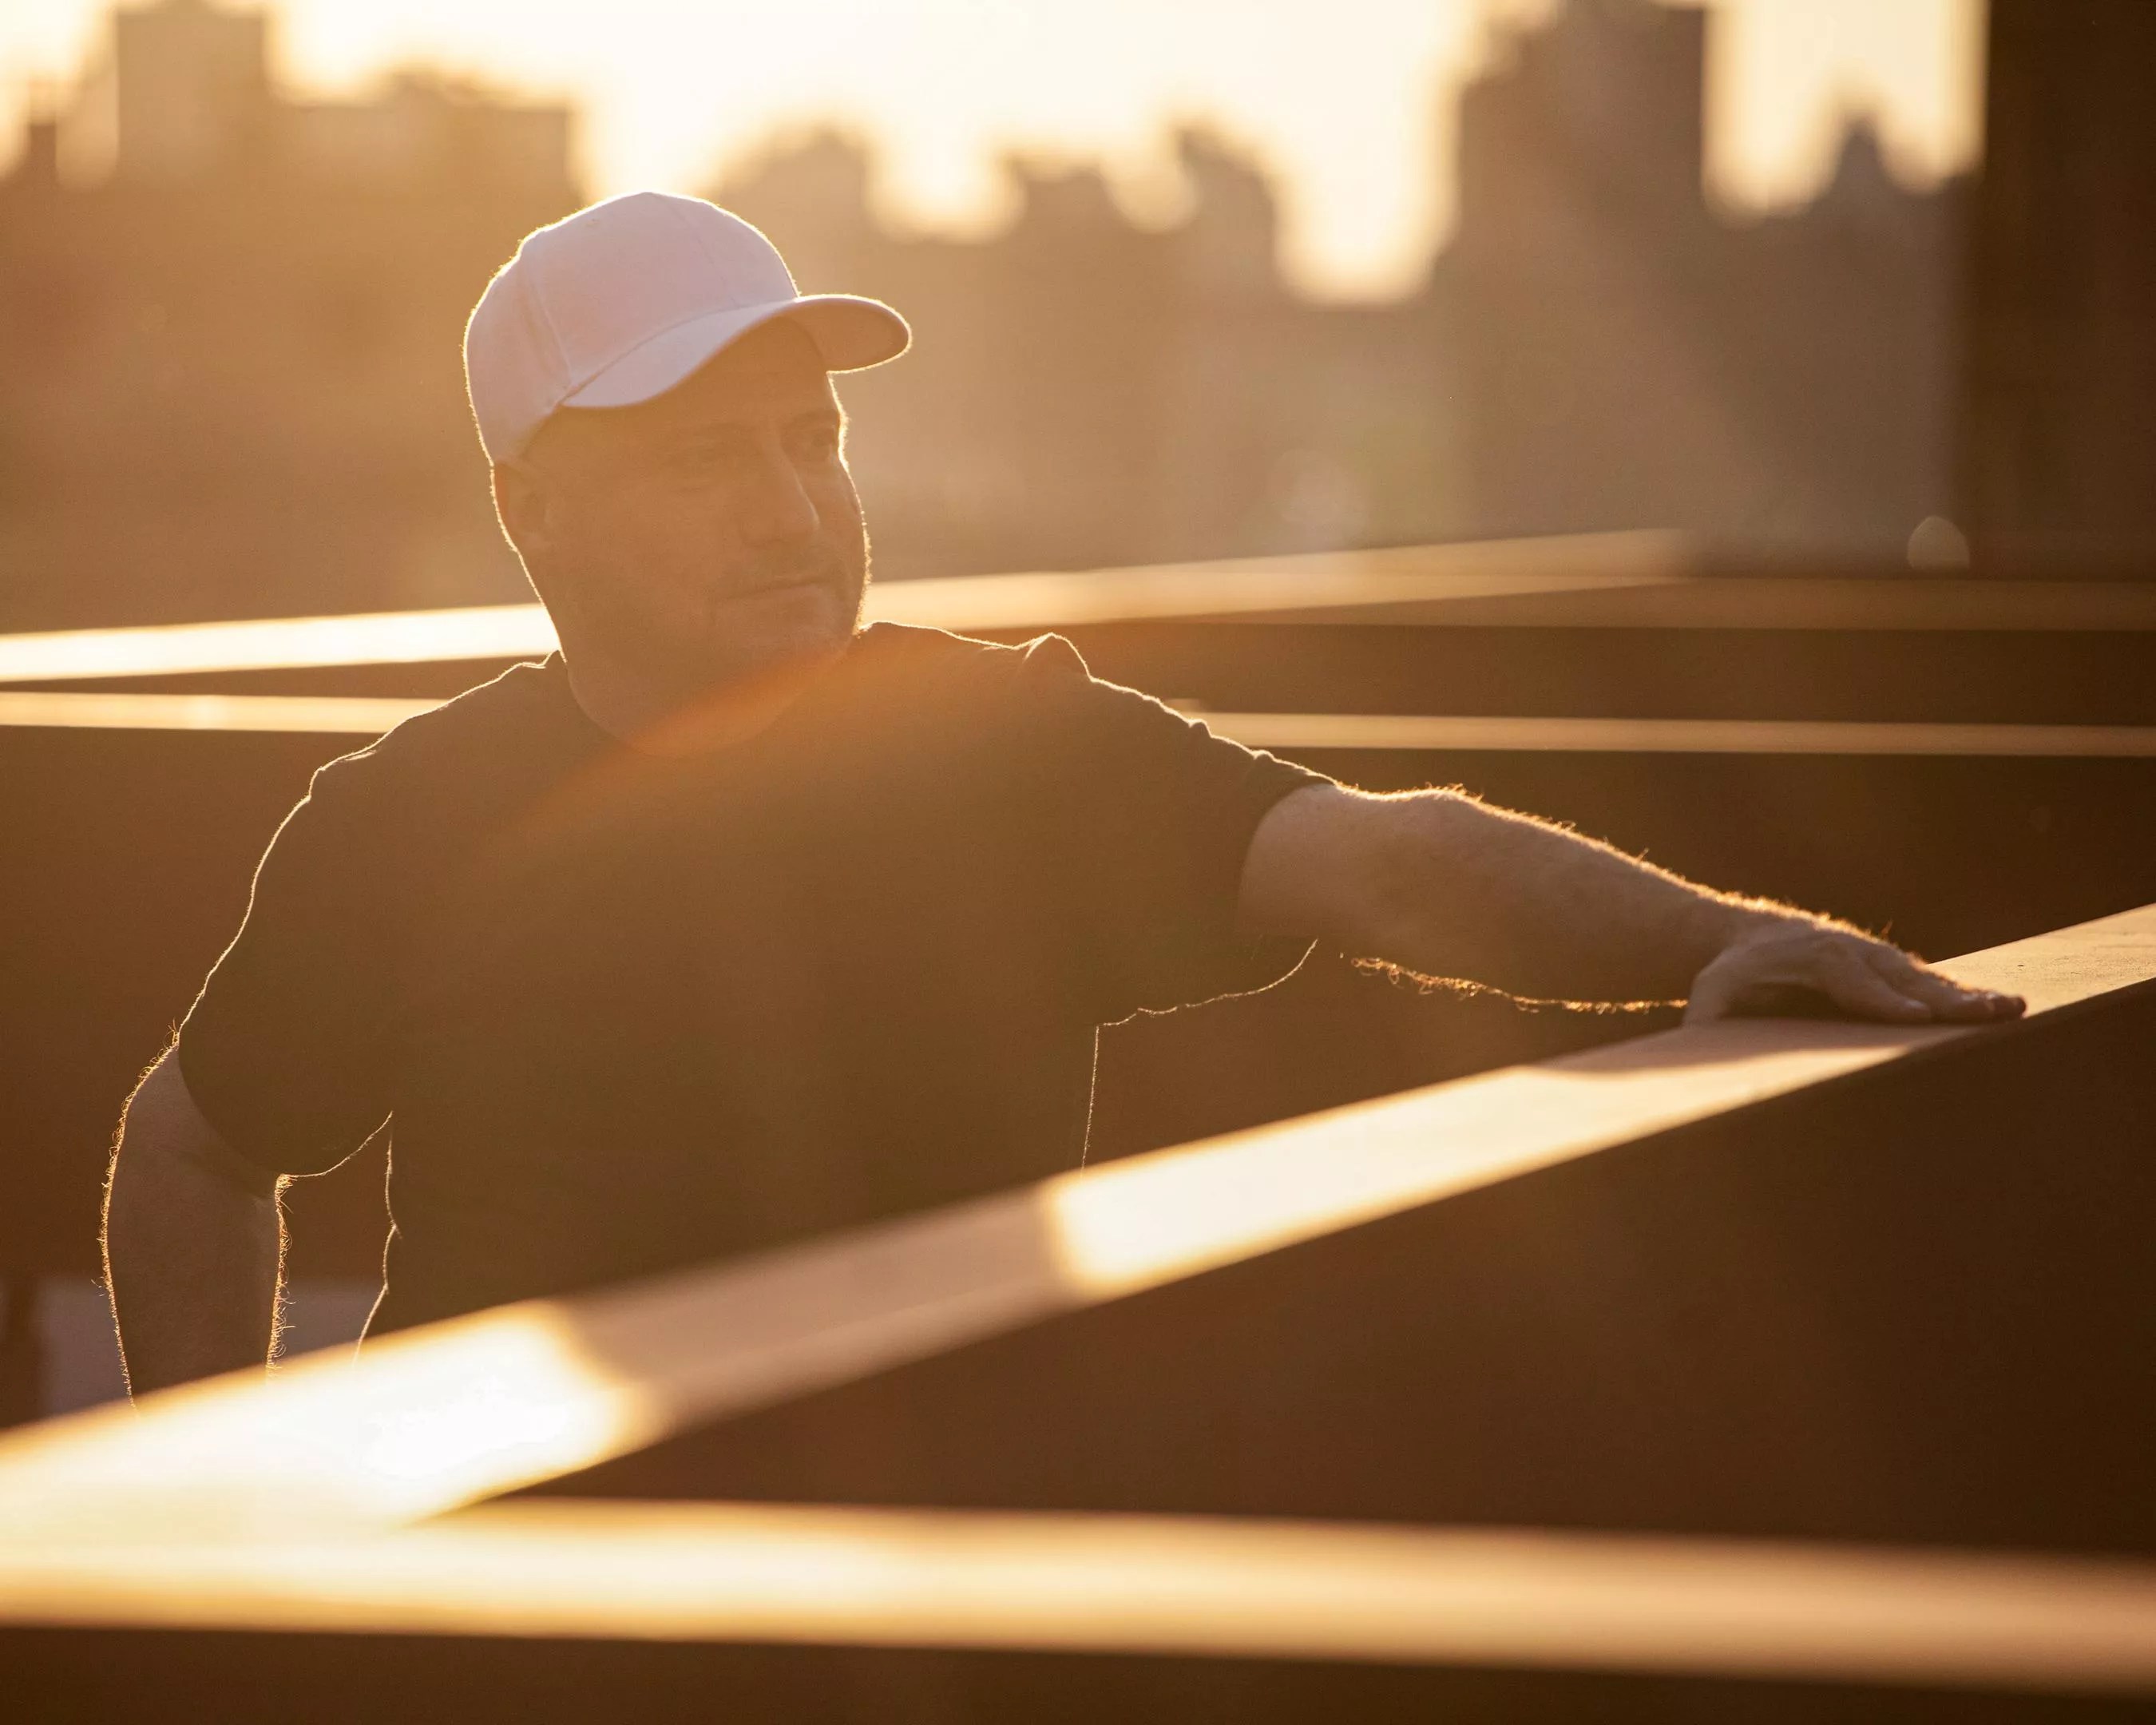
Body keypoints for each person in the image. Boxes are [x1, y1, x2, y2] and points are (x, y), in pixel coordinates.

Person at [103, 193, 2022, 1397]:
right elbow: (197, 1144)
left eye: (813, 442)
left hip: (938, 1585)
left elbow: (1389, 863)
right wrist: (212, 1523)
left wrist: (1738, 941)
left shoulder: (996, 748)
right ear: (534, 507)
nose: (792, 509)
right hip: (490, 1611)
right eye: (706, 459)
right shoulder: (405, 823)